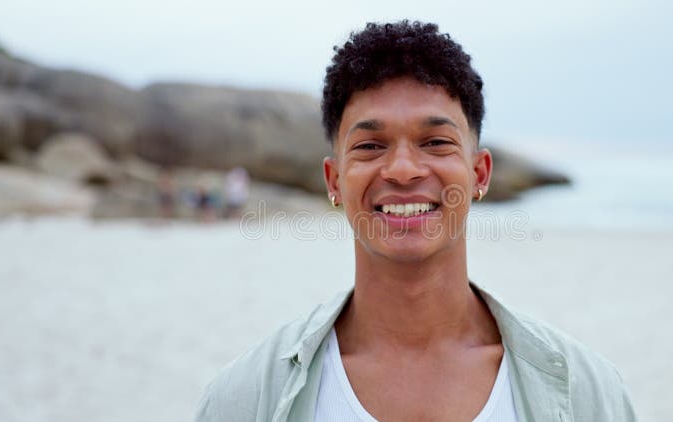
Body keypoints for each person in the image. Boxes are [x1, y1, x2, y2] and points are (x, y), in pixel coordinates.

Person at [196, 21, 637, 422]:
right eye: (370, 146)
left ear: (479, 173)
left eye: (435, 142)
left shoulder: (588, 395)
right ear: (333, 181)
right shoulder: (246, 399)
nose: (403, 169)